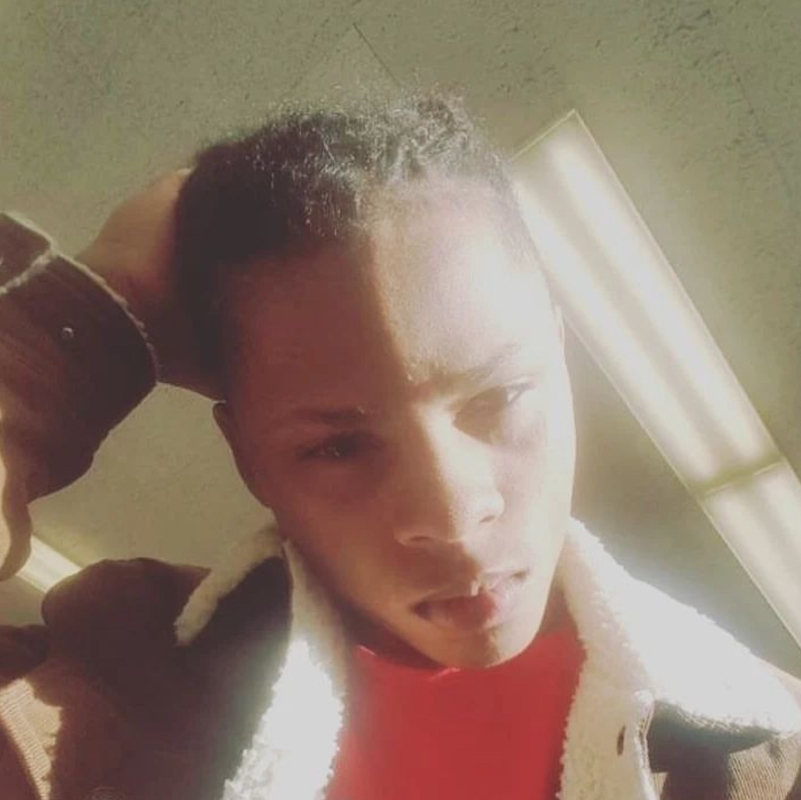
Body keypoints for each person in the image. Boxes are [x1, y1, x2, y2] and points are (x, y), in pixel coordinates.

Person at [0, 94, 799, 800]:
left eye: (501, 397)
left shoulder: (770, 747)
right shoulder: (112, 672)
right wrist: (81, 321)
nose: (452, 515)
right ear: (249, 462)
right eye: (339, 447)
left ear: (562, 362)